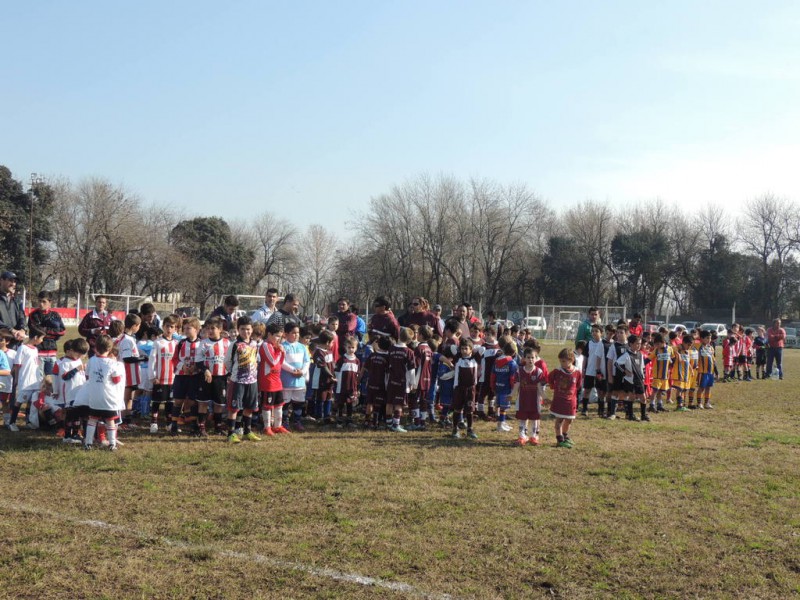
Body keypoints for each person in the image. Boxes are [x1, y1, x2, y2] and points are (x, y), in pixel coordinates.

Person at [82, 335, 125, 450]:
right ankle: (112, 444)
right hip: (108, 398)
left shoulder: (91, 360)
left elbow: (87, 376)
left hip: (94, 397)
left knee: (92, 419)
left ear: (96, 347)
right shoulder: (112, 363)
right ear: (110, 349)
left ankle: (88, 443)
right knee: (110, 421)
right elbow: (116, 380)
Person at [224, 316, 260, 443]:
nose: (246, 332)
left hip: (252, 381)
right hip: (237, 381)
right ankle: (231, 434)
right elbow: (227, 361)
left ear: (252, 329)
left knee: (249, 407)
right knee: (234, 408)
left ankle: (247, 432)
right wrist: (232, 373)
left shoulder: (255, 344)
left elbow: (256, 359)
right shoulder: (234, 344)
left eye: (248, 329)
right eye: (243, 329)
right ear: (238, 330)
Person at [169, 317, 203, 436]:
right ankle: (174, 425)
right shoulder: (181, 343)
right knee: (178, 400)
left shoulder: (202, 343)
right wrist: (182, 367)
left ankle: (194, 426)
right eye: (185, 328)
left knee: (193, 401)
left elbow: (204, 359)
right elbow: (174, 359)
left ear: (196, 329)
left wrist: (197, 367)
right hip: (181, 376)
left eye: (189, 328)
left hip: (195, 376)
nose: (186, 330)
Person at [7, 327, 45, 431]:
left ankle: (29, 422)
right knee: (19, 401)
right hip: (25, 381)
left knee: (32, 401)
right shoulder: (22, 348)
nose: (42, 341)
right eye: (41, 338)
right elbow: (17, 365)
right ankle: (12, 422)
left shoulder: (35, 349)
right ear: (36, 337)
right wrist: (16, 380)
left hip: (35, 381)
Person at [200, 317, 230, 436]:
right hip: (206, 377)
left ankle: (218, 427)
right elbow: (198, 360)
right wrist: (205, 370)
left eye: (213, 328)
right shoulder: (203, 343)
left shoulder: (227, 343)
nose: (210, 331)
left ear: (220, 329)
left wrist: (229, 374)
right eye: (208, 328)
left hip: (221, 377)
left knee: (219, 403)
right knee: (203, 402)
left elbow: (231, 360)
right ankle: (201, 427)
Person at [149, 315, 179, 433]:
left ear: (175, 328)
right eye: (167, 326)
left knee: (170, 402)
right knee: (156, 401)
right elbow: (152, 360)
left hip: (172, 378)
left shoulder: (176, 343)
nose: (169, 329)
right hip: (160, 378)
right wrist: (152, 376)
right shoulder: (158, 342)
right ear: (163, 326)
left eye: (172, 327)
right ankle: (153, 423)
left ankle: (169, 423)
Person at [549, 348, 583, 448]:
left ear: (571, 360)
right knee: (559, 420)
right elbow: (550, 378)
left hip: (571, 401)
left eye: (563, 361)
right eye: (560, 361)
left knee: (569, 419)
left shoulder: (577, 372)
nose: (561, 363)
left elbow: (578, 384)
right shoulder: (557, 371)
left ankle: (564, 435)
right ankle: (559, 439)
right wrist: (553, 386)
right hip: (560, 400)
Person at [257, 322, 287, 435]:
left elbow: (280, 362)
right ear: (269, 334)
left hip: (277, 379)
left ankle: (278, 426)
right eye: (277, 336)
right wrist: (279, 351)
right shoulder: (265, 345)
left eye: (280, 336)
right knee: (267, 405)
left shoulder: (275, 345)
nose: (279, 339)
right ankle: (267, 427)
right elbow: (273, 362)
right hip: (268, 380)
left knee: (279, 404)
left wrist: (281, 351)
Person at [385, 327, 416, 433]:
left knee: (389, 402)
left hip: (391, 380)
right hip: (402, 382)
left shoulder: (391, 349)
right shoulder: (409, 352)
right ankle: (396, 425)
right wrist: (412, 383)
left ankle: (388, 423)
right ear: (409, 340)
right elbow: (411, 370)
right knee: (399, 403)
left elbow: (387, 365)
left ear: (399, 336)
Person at [27, 291, 65, 375]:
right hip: (38, 352)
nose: (41, 304)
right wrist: (53, 332)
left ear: (50, 302)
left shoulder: (55, 315)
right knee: (38, 379)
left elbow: (62, 331)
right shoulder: (33, 315)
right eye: (39, 301)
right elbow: (36, 331)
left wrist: (45, 331)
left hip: (52, 353)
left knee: (51, 380)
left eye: (44, 301)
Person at [281, 322, 310, 432]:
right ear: (286, 334)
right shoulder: (282, 347)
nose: (296, 335)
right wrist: (293, 370)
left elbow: (307, 361)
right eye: (293, 333)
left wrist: (302, 371)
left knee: (299, 402)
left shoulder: (302, 347)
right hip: (287, 381)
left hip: (300, 381)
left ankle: (297, 421)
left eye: (297, 333)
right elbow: (282, 362)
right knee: (285, 402)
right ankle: (285, 422)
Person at [513, 346, 546, 445]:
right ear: (524, 358)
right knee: (523, 418)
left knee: (534, 419)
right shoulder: (519, 371)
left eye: (533, 357)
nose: (530, 359)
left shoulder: (539, 371)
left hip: (534, 401)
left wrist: (545, 398)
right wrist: (511, 394)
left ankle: (534, 436)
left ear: (536, 358)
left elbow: (540, 387)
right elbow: (517, 384)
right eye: (528, 357)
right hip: (523, 400)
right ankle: (522, 436)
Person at [615, 335, 649, 421]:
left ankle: (643, 415)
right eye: (637, 343)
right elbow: (617, 364)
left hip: (639, 379)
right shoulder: (627, 355)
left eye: (640, 343)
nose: (639, 345)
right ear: (631, 344)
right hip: (630, 380)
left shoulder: (640, 354)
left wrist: (643, 376)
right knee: (632, 397)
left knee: (643, 398)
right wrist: (625, 371)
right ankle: (630, 415)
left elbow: (642, 367)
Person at [451, 337, 479, 440]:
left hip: (471, 388)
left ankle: (470, 429)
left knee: (469, 410)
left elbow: (482, 349)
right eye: (462, 348)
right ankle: (455, 429)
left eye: (466, 348)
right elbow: (453, 347)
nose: (464, 351)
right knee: (457, 409)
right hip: (459, 388)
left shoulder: (475, 359)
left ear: (471, 349)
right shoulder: (458, 359)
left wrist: (473, 349)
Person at [490, 341, 519, 434]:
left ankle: (501, 422)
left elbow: (493, 375)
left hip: (498, 387)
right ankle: (501, 424)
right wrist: (513, 389)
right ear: (514, 353)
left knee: (499, 406)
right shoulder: (512, 363)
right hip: (506, 388)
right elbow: (512, 378)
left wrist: (493, 386)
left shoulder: (496, 361)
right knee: (503, 407)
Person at [362, 336, 391, 429]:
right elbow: (388, 372)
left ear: (378, 344)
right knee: (377, 403)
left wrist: (360, 377)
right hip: (381, 384)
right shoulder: (387, 357)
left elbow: (365, 367)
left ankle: (366, 421)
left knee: (369, 402)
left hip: (370, 382)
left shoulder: (372, 355)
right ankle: (375, 422)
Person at [334, 338, 360, 427]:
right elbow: (336, 372)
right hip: (342, 387)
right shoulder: (342, 359)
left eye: (353, 347)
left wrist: (356, 387)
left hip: (351, 387)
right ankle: (339, 421)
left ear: (356, 348)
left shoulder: (357, 361)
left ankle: (349, 421)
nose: (351, 349)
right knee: (341, 404)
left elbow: (357, 374)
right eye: (349, 347)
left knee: (350, 404)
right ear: (345, 347)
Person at [0, 272, 27, 347]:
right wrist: (11, 330)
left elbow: (22, 316)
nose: (13, 284)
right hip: (2, 342)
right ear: (1, 280)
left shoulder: (17, 300)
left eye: (15, 281)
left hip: (16, 343)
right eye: (10, 280)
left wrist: (22, 329)